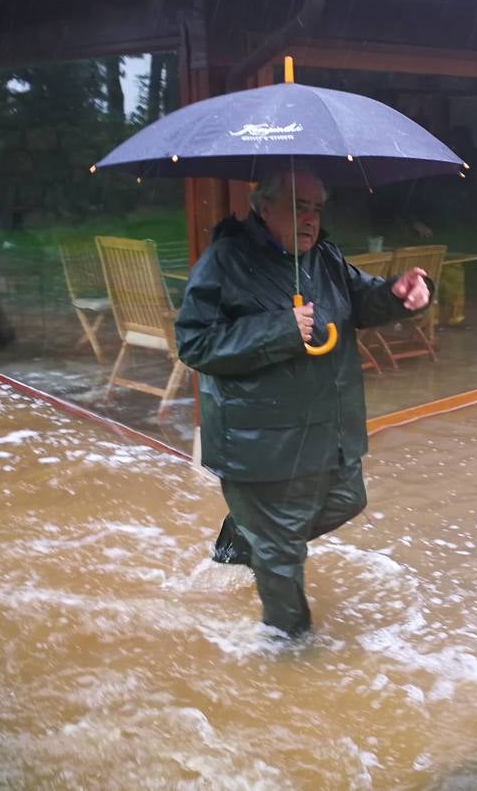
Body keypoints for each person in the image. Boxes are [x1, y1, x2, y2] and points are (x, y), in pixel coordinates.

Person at [174, 166, 432, 637]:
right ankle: (287, 654)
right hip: (260, 444)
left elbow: (361, 299)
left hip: (329, 431)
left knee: (348, 499)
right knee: (283, 557)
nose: (310, 219)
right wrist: (277, 330)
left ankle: (246, 534)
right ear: (262, 207)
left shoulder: (324, 256)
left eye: (316, 208)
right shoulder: (224, 261)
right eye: (298, 207)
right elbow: (195, 345)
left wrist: (397, 294)